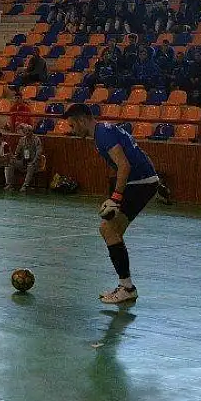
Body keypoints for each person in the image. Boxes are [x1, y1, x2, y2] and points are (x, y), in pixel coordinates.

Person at [64, 103, 161, 304]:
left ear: (82, 120)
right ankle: (125, 285)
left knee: (108, 230)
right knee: (111, 232)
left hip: (139, 184)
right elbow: (139, 154)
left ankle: (127, 288)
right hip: (144, 182)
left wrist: (116, 198)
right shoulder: (106, 130)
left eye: (73, 126)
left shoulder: (103, 135)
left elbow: (124, 165)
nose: (72, 130)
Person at [6, 123, 42, 192]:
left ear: (32, 132)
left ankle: (25, 186)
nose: (27, 132)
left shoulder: (36, 139)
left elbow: (39, 152)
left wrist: (33, 161)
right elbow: (17, 151)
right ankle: (10, 184)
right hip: (23, 160)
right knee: (11, 163)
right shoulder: (22, 140)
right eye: (26, 131)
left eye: (29, 131)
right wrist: (14, 157)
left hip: (34, 161)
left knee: (30, 166)